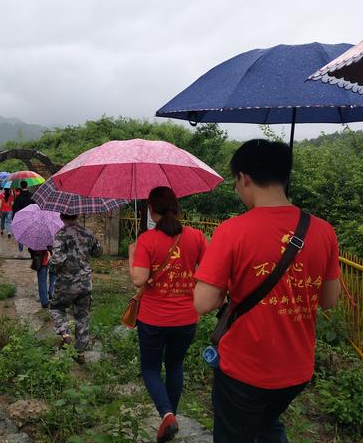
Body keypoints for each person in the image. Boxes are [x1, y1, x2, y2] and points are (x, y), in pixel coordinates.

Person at [193, 139, 341, 443]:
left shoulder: (232, 230)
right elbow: (329, 300)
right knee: (267, 423)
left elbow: (203, 303)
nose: (237, 190)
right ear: (284, 177)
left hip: (245, 371)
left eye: (236, 182)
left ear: (244, 177)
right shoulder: (323, 230)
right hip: (296, 371)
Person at [129, 186, 207, 443]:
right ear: (176, 207)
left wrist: (134, 258)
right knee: (175, 365)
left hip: (153, 318)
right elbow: (208, 272)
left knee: (150, 367)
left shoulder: (147, 240)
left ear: (151, 210)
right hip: (187, 317)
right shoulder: (196, 237)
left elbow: (138, 279)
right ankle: (171, 415)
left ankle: (167, 414)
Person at [48, 213, 101, 363]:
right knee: (82, 316)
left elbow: (56, 261)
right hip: (85, 283)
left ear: (61, 216)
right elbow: (98, 252)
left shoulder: (60, 235)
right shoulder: (88, 233)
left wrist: (51, 262)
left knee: (56, 307)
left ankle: (65, 334)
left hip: (66, 283)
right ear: (77, 215)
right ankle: (80, 352)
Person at [12, 181, 35, 252]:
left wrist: (14, 218)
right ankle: (31, 247)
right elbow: (35, 206)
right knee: (31, 232)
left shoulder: (18, 197)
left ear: (21, 187)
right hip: (30, 217)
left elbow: (15, 209)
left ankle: (21, 249)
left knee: (21, 232)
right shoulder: (32, 195)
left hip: (21, 217)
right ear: (27, 186)